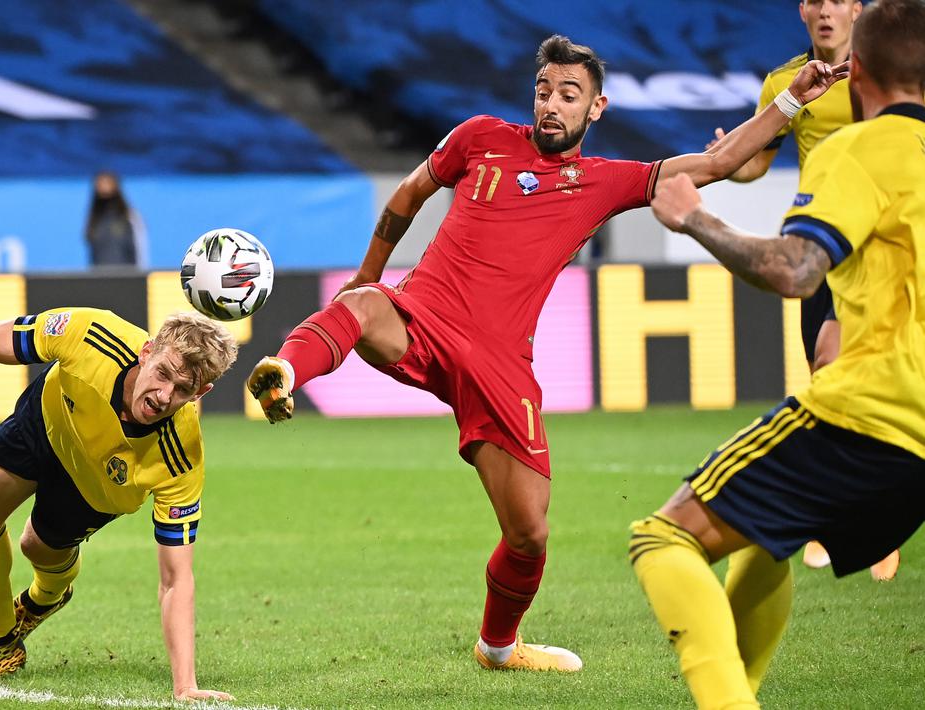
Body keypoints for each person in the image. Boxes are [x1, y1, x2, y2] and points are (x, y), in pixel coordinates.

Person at [245, 34, 846, 672]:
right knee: (363, 306)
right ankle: (284, 370)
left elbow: (718, 162)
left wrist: (790, 100)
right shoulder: (479, 137)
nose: (552, 104)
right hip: (423, 318)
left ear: (597, 108)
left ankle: (498, 647)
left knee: (529, 534)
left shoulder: (606, 181)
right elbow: (409, 195)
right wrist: (369, 274)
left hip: (501, 366)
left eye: (569, 95)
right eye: (544, 91)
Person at [631, 1, 925, 706]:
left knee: (662, 539)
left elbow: (795, 271)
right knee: (765, 537)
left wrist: (693, 218)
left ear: (858, 74)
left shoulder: (859, 147)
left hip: (875, 412)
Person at [0, 307, 237, 702]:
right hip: (47, 421)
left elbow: (176, 578)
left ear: (200, 393)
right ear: (146, 351)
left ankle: (46, 596)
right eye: (163, 373)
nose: (163, 395)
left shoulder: (181, 455)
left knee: (36, 547)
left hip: (96, 487)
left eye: (183, 390)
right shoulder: (90, 334)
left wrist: (185, 685)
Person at [711, 0, 900, 580]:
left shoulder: (886, 72)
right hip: (821, 243)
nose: (826, 11)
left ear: (857, 10)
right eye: (815, 0)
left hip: (880, 241)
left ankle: (873, 520)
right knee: (824, 375)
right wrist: (731, 155)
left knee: (837, 364)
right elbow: (755, 164)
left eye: (838, 0)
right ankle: (847, 512)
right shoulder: (787, 82)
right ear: (802, 10)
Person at [85, 172, 147, 268]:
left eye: (107, 182)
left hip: (127, 274)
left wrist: (139, 274)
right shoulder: (94, 219)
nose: (104, 186)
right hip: (100, 276)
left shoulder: (130, 216)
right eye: (100, 183)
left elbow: (139, 249)